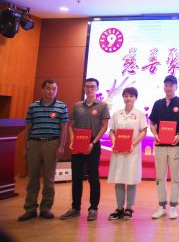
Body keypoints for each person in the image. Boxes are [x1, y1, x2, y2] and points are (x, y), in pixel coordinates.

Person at [60, 78, 110, 221]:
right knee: (76, 177)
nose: (90, 89)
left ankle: (93, 208)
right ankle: (75, 208)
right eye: (87, 86)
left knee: (93, 177)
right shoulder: (77, 106)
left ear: (97, 88)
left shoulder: (102, 106)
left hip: (93, 143)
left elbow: (104, 126)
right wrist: (72, 140)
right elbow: (71, 125)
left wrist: (93, 143)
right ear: (84, 88)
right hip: (78, 143)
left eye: (93, 87)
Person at [18, 79, 68, 221]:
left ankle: (46, 208)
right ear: (43, 89)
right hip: (34, 144)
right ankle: (30, 209)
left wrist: (61, 146)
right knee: (32, 178)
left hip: (52, 144)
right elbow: (28, 128)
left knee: (49, 179)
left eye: (54, 89)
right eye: (48, 88)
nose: (51, 91)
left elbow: (64, 128)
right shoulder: (33, 107)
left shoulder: (61, 106)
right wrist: (25, 147)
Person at [148, 75, 179, 220]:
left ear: (176, 87)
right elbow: (152, 122)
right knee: (160, 177)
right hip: (160, 146)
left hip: (175, 146)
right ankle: (161, 206)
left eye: (171, 85)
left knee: (175, 177)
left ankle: (173, 207)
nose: (168, 88)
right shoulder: (158, 104)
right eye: (166, 85)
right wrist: (155, 134)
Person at [106, 87, 147, 220]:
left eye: (131, 96)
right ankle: (119, 208)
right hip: (118, 151)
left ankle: (129, 207)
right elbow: (112, 131)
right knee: (118, 179)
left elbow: (143, 131)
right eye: (126, 96)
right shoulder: (116, 114)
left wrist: (132, 144)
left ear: (136, 98)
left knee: (131, 179)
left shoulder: (140, 114)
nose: (128, 98)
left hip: (132, 152)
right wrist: (114, 143)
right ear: (123, 98)